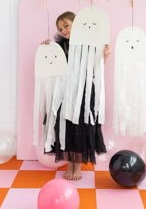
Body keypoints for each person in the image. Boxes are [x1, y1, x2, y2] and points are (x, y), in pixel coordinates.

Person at [42, 11, 111, 180]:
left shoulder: (91, 43)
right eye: (60, 29)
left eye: (66, 25)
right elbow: (55, 64)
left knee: (81, 126)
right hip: (66, 92)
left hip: (85, 92)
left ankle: (77, 165)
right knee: (67, 127)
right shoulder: (62, 45)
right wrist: (48, 48)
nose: (64, 30)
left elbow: (96, 69)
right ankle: (70, 163)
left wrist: (105, 56)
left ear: (76, 24)